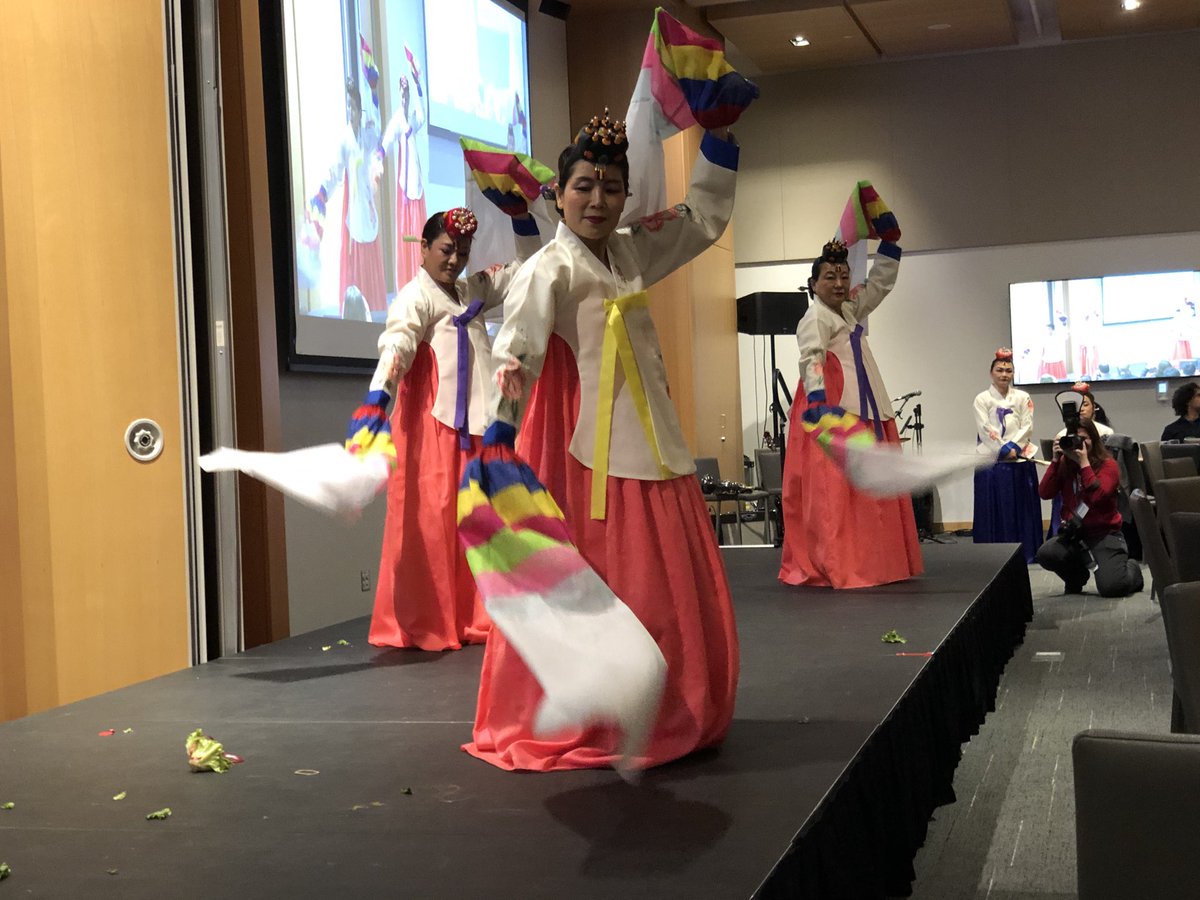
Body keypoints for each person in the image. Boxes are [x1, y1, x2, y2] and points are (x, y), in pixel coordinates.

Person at [471, 110, 742, 771]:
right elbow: (519, 350)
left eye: (612, 187)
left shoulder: (630, 249)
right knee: (622, 584)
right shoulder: (550, 267)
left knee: (668, 587)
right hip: (590, 457)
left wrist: (721, 141)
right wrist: (500, 432)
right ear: (559, 193)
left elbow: (700, 221)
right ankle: (609, 714)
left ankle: (673, 705)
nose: (597, 200)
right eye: (584, 187)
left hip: (655, 438)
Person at [347, 207, 541, 652]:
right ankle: (427, 621)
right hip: (432, 432)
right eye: (447, 250)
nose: (454, 260)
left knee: (477, 521)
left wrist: (522, 218)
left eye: (463, 252)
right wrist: (379, 395)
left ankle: (475, 617)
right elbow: (397, 343)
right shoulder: (416, 298)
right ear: (425, 249)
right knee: (430, 525)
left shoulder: (471, 292)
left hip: (475, 430)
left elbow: (527, 267)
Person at [779, 237, 923, 589]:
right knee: (837, 494)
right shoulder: (815, 317)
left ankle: (876, 561)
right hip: (836, 411)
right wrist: (817, 403)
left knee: (872, 492)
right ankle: (843, 563)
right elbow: (810, 357)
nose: (840, 283)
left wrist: (890, 246)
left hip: (866, 404)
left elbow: (877, 287)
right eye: (830, 276)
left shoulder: (846, 311)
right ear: (814, 284)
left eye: (843, 275)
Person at [1036, 419, 1144, 597]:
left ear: (1094, 439)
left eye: (1084, 438)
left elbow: (1097, 497)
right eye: (1073, 438)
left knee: (1112, 588)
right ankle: (1076, 578)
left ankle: (1133, 570)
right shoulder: (1064, 465)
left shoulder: (1108, 465)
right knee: (1047, 553)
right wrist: (1055, 461)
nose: (1079, 443)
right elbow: (1045, 492)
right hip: (1075, 535)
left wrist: (1084, 463)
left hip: (1104, 534)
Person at [971, 349, 1043, 562]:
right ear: (991, 373)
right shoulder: (981, 399)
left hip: (1019, 459)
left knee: (1022, 509)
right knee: (994, 509)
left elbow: (1027, 424)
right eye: (1000, 370)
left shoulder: (1023, 397)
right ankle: (993, 554)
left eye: (1008, 371)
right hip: (993, 462)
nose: (1004, 374)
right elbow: (984, 428)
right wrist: (1003, 449)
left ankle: (1027, 551)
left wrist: (1014, 446)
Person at [380, 63, 427, 291]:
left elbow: (422, 115)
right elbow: (386, 143)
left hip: (415, 183)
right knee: (407, 235)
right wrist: (378, 159)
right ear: (399, 93)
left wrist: (418, 85)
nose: (405, 95)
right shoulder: (398, 119)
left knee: (420, 235)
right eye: (403, 91)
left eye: (407, 91)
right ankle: (407, 281)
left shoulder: (413, 119)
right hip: (404, 187)